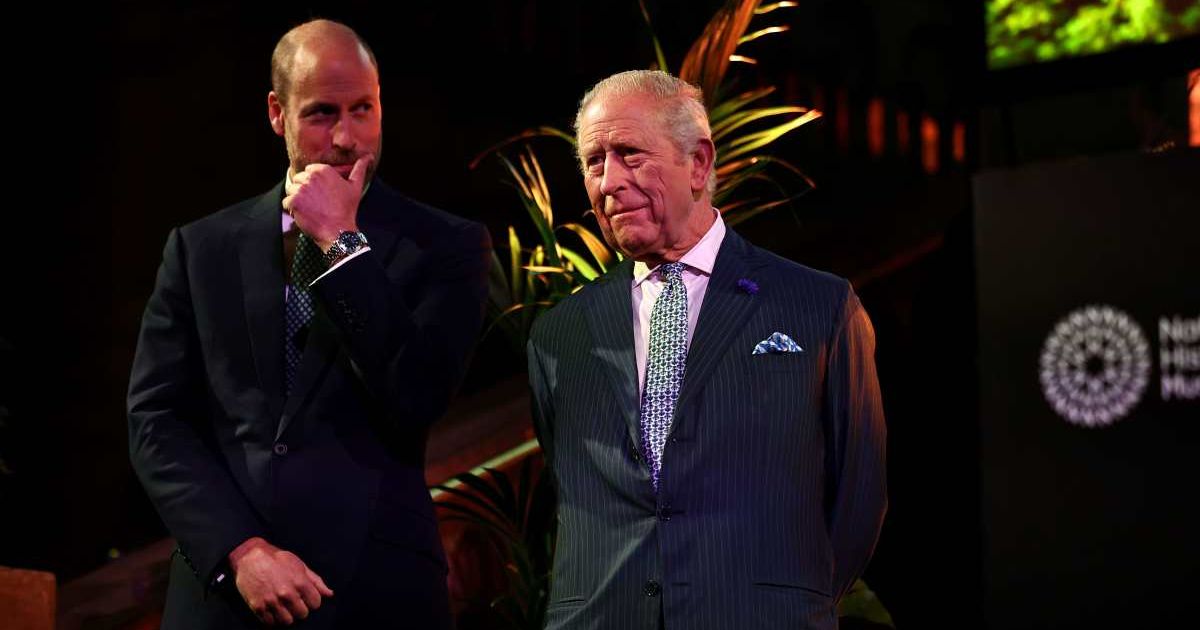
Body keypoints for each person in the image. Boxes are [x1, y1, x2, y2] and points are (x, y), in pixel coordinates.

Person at [127, 19, 490, 629]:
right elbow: (155, 419)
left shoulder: (446, 246)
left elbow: (415, 397)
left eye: (363, 110)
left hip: (375, 592)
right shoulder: (201, 248)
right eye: (322, 113)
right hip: (226, 596)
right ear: (277, 112)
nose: (347, 138)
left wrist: (341, 244)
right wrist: (241, 551)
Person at [527, 70, 887, 629]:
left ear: (698, 163)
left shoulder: (816, 308)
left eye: (629, 153)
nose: (609, 181)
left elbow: (858, 499)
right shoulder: (559, 335)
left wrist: (785, 601)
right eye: (594, 162)